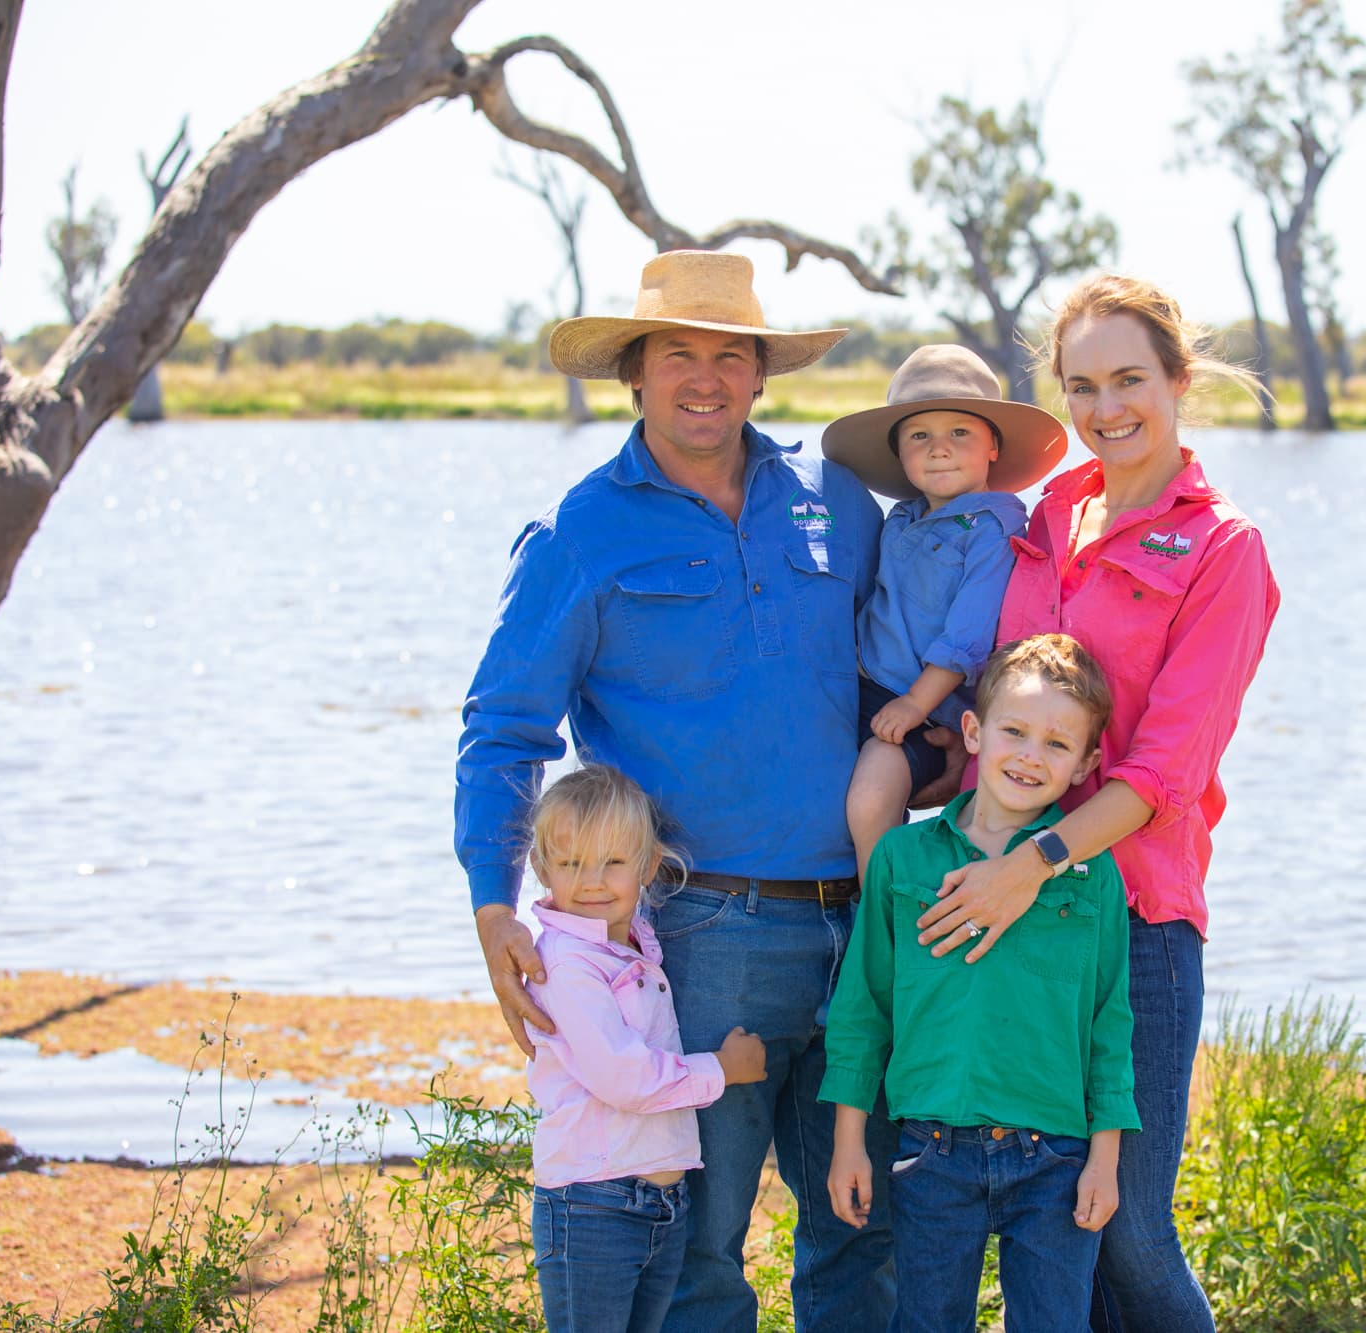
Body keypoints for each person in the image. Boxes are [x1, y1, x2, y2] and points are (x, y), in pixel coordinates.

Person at [455, 249, 894, 1332]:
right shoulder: (583, 530)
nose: (705, 378)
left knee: (866, 1221)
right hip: (698, 932)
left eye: (729, 356)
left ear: (758, 374)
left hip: (868, 921)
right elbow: (505, 727)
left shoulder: (837, 500)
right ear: (635, 376)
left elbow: (907, 682)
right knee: (699, 1239)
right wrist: (491, 899)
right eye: (678, 356)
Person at [913, 275, 1281, 1332]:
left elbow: (1162, 775)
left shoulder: (1224, 551)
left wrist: (1021, 869)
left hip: (1129, 920)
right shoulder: (1041, 515)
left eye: (1128, 379)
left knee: (1125, 1224)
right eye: (1080, 386)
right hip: (1006, 916)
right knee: (1052, 1220)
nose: (1105, 407)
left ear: (1177, 379)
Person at [819, 633, 1138, 1333]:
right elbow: (863, 1008)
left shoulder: (1092, 873)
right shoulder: (904, 858)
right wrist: (848, 1140)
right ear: (973, 730)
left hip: (1055, 1155)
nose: (1030, 755)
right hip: (932, 1150)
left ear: (1087, 761)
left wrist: (1104, 1158)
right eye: (1015, 731)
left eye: (1058, 744)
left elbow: (1109, 1021)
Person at [522, 765, 769, 1333]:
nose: (591, 882)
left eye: (612, 862)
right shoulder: (566, 965)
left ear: (648, 867)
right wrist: (721, 1071)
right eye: (570, 864)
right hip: (593, 1204)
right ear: (542, 869)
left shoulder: (634, 948)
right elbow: (623, 1078)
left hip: (658, 1204)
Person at [820, 344, 1066, 881]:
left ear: (993, 446)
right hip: (859, 688)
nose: (939, 449)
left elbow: (967, 638)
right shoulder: (899, 519)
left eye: (960, 433)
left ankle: (874, 911)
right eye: (919, 437)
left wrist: (914, 703)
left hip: (922, 708)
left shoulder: (992, 531)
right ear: (900, 456)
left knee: (870, 799)